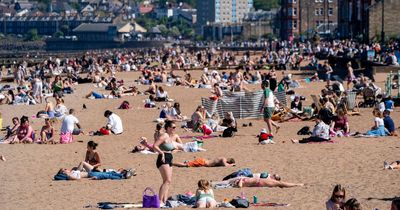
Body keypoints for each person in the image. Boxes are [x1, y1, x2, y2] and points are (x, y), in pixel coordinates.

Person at [152, 121, 179, 206]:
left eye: (175, 127)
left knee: (168, 181)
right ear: (168, 128)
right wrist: (162, 153)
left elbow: (173, 147)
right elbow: (155, 146)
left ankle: (164, 200)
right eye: (173, 127)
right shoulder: (164, 135)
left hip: (169, 157)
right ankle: (159, 201)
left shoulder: (171, 137)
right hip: (163, 158)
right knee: (167, 180)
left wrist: (174, 150)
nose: (175, 129)